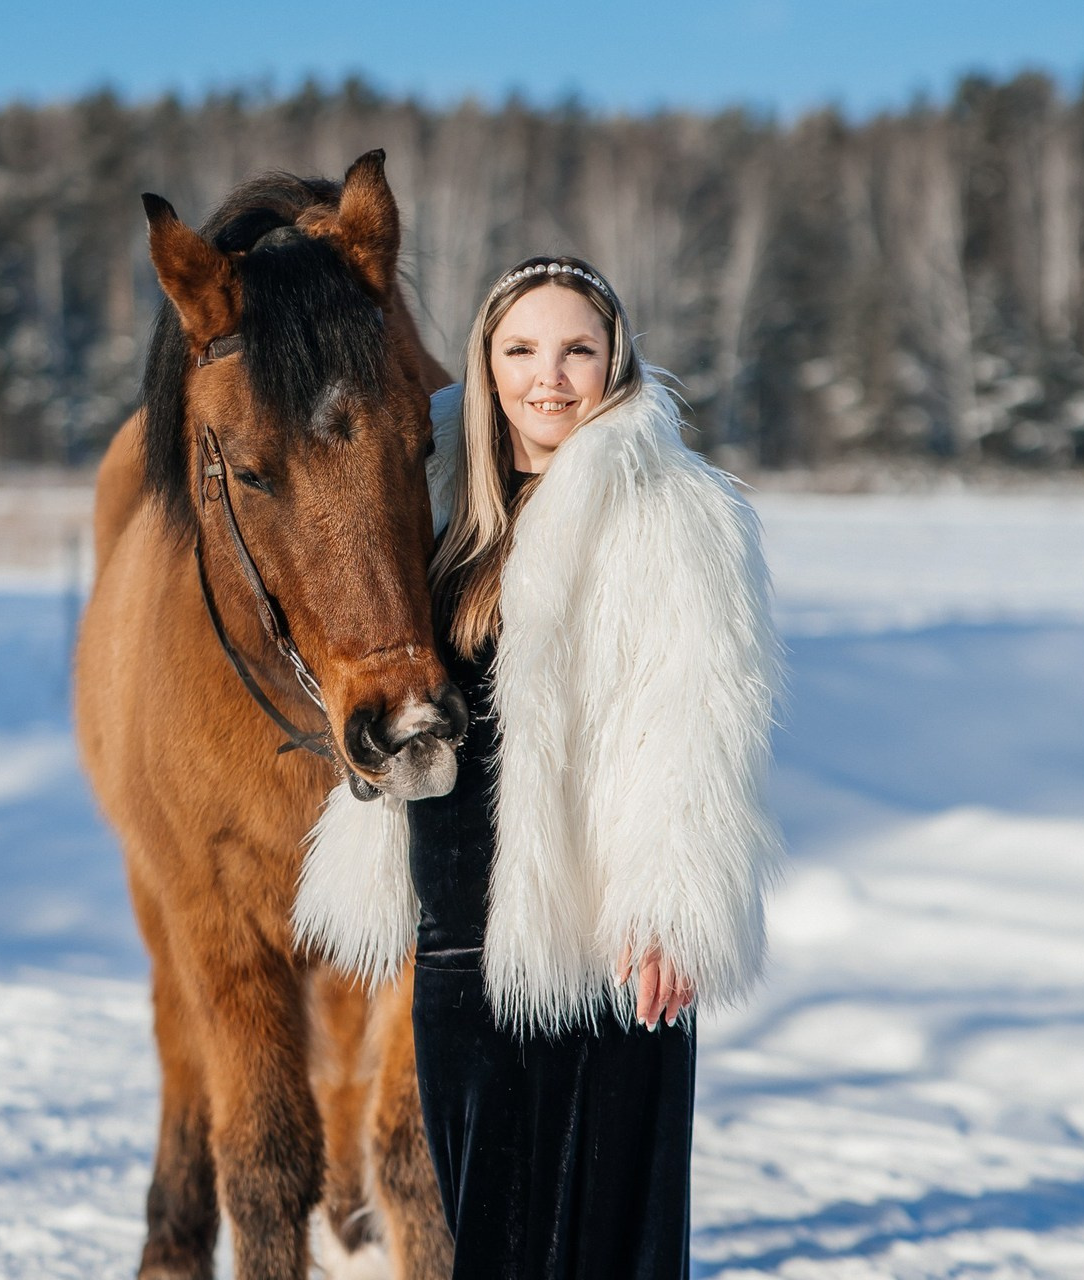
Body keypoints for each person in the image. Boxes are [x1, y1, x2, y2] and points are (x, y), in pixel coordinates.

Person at [295, 255, 783, 1278]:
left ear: (615, 362)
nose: (548, 378)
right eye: (520, 350)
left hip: (592, 949)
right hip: (453, 953)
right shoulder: (440, 517)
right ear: (485, 365)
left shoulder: (671, 511)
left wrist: (669, 904)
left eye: (576, 351)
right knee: (486, 1245)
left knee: (600, 1248)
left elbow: (697, 716)